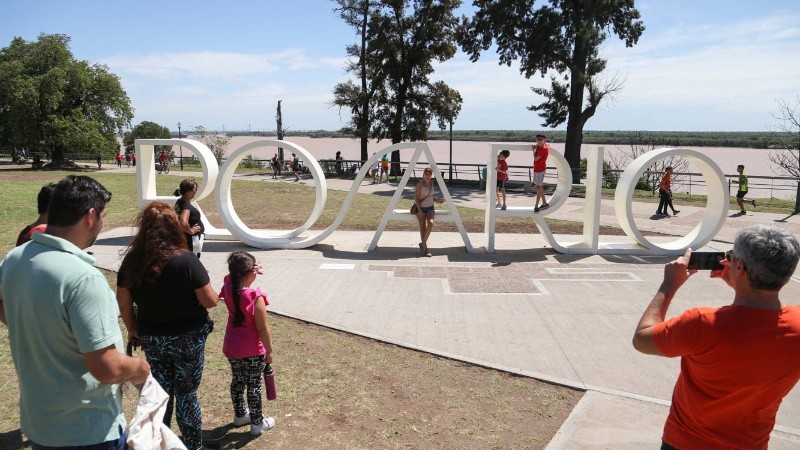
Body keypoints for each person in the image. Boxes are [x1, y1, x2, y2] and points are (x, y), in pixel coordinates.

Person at [0, 175, 150, 449]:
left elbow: (5, 310)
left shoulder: (14, 259)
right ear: (90, 216)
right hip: (87, 431)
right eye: (103, 216)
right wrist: (140, 368)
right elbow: (108, 368)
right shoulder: (83, 277)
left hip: (40, 424)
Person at [632, 224, 800, 450]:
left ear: (739, 267)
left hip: (685, 443)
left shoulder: (702, 323)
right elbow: (757, 322)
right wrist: (740, 286)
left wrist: (670, 284)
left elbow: (642, 339)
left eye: (731, 257)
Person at [117, 201, 219, 450]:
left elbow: (123, 302)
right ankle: (193, 445)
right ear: (174, 227)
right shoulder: (186, 261)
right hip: (188, 339)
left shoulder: (132, 262)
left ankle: (159, 443)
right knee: (186, 394)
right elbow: (210, 300)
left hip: (152, 338)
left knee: (159, 394)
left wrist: (132, 329)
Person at [220, 251, 276, 436]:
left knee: (237, 381)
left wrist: (248, 268)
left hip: (232, 347)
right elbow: (262, 329)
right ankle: (257, 424)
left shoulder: (228, 286)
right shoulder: (255, 296)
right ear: (250, 272)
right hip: (252, 350)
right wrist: (269, 351)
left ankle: (240, 415)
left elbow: (231, 276)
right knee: (254, 385)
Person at [414, 167, 444, 257]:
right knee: (422, 228)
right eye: (426, 174)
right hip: (421, 208)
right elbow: (416, 198)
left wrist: (437, 200)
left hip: (431, 207)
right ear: (423, 174)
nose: (427, 176)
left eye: (429, 174)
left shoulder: (432, 183)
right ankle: (425, 249)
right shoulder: (420, 184)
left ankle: (422, 244)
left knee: (431, 223)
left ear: (431, 175)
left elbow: (430, 196)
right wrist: (419, 211)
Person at [174, 179, 205, 257]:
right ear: (188, 192)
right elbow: (183, 222)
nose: (196, 192)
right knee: (192, 262)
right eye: (195, 189)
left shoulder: (180, 201)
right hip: (192, 241)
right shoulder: (186, 206)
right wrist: (191, 231)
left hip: (187, 240)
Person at [532, 134, 549, 212]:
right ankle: (545, 203)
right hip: (536, 169)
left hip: (540, 169)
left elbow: (536, 158)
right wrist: (536, 147)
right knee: (538, 186)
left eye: (541, 139)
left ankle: (536, 206)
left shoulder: (544, 149)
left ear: (544, 139)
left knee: (538, 187)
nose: (539, 141)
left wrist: (534, 150)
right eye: (538, 139)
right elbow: (548, 144)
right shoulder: (541, 145)